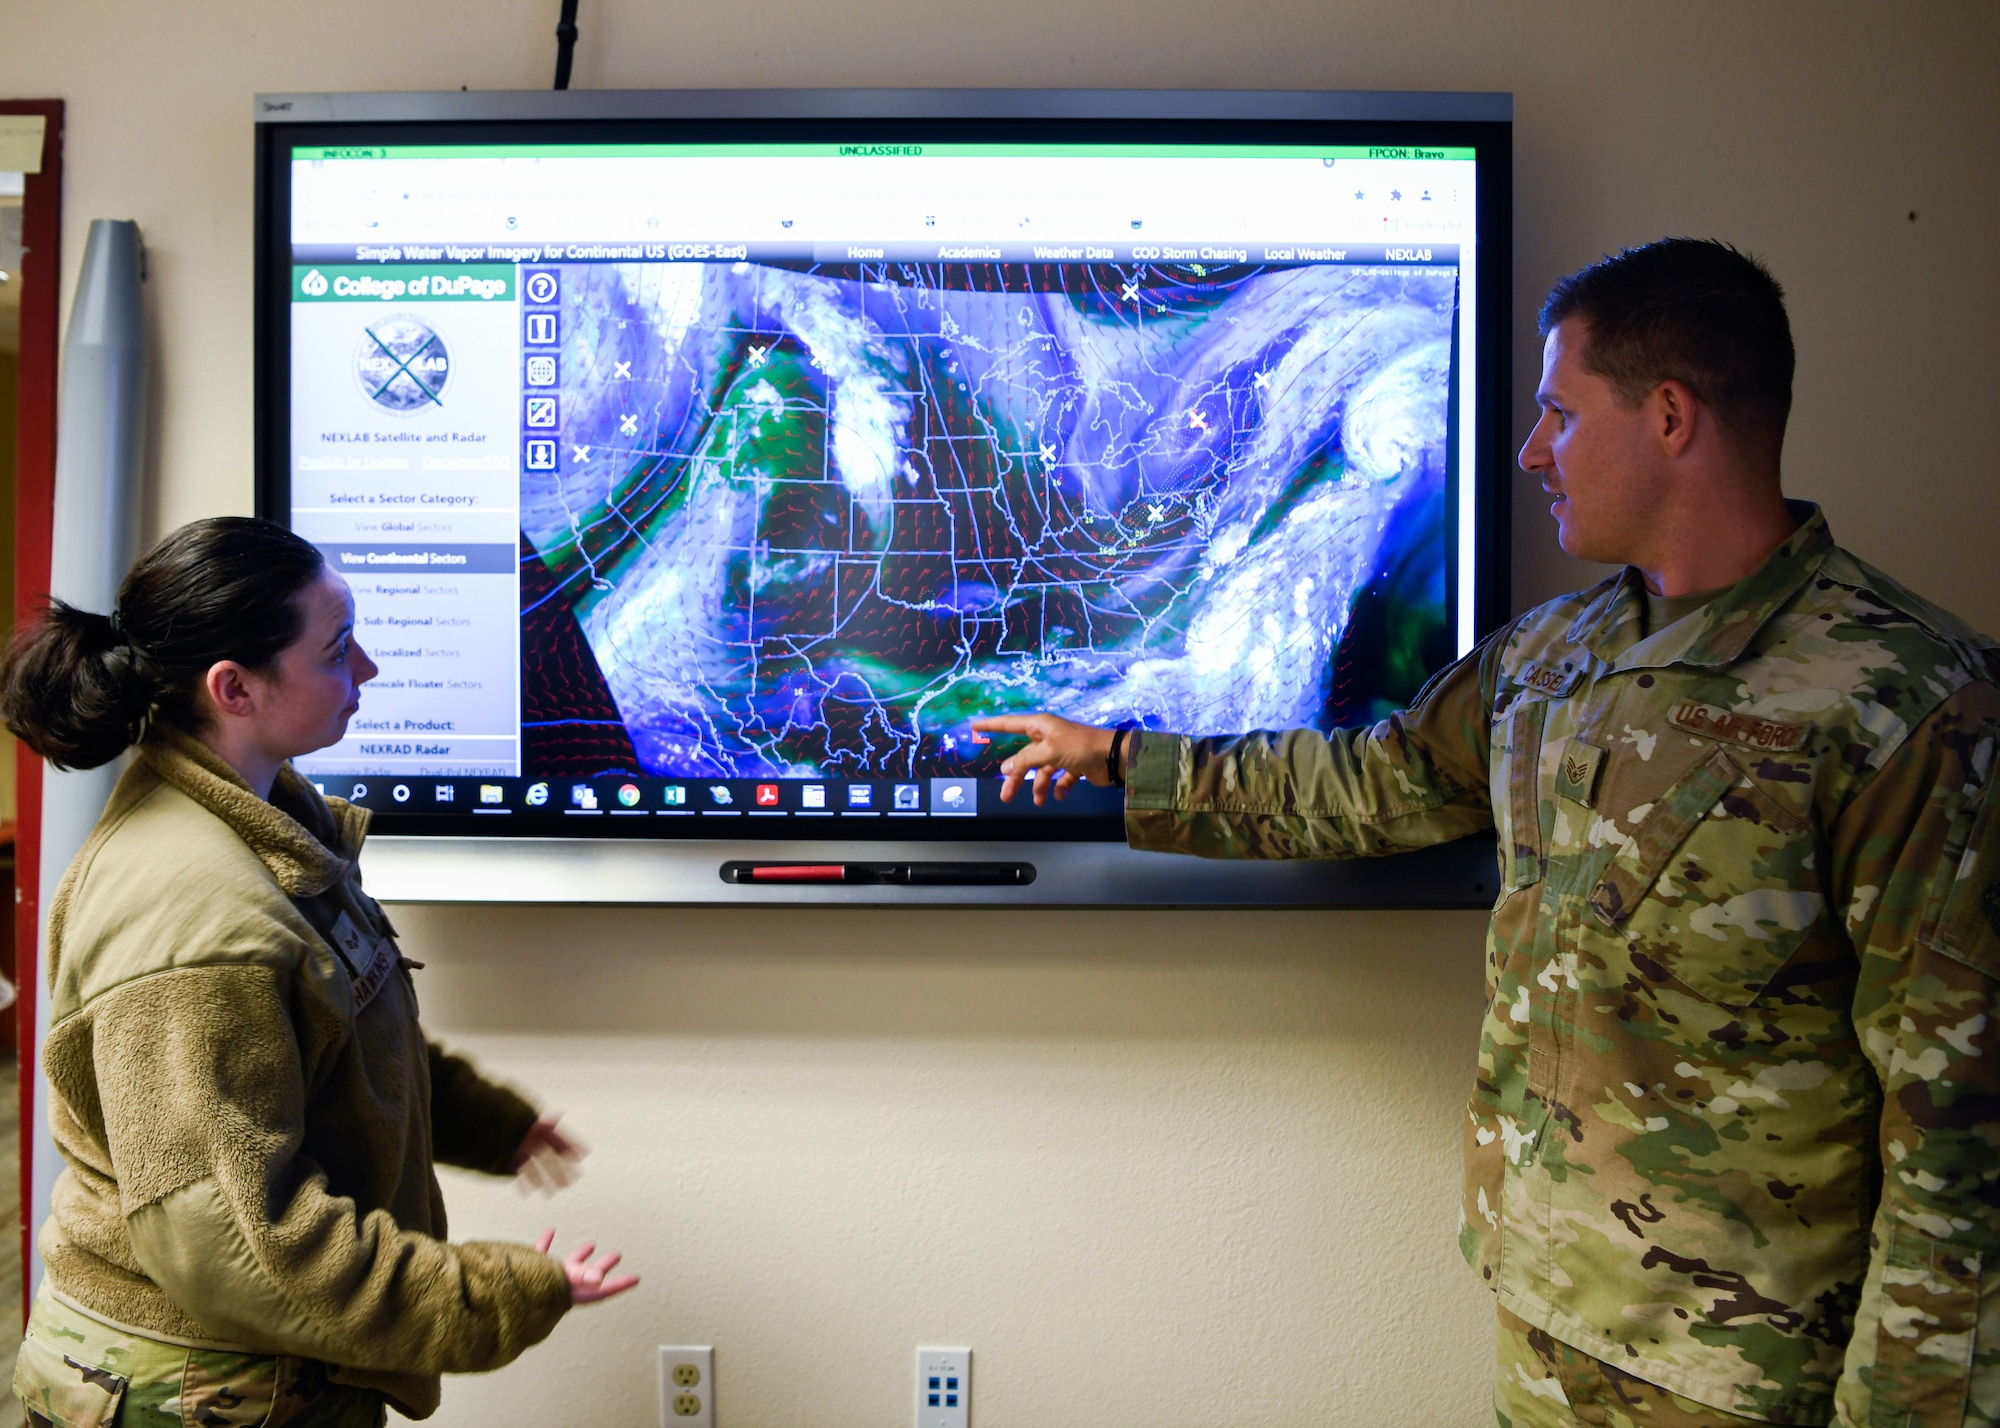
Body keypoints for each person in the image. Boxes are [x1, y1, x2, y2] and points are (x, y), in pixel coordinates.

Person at [974, 239, 1999, 1428]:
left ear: (1668, 417)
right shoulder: (1548, 660)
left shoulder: (1908, 703)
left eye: (1559, 414)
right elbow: (1369, 783)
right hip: (1543, 1323)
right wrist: (1118, 759)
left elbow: (1957, 1125)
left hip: (1752, 1379)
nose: (1529, 452)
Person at [2, 518, 638, 1427]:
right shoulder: (199, 929)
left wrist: (482, 1121)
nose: (368, 670)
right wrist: (499, 1294)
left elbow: (327, 1032)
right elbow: (239, 1247)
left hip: (258, 1370)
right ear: (235, 688)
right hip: (196, 1389)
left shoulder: (269, 823)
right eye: (337, 650)